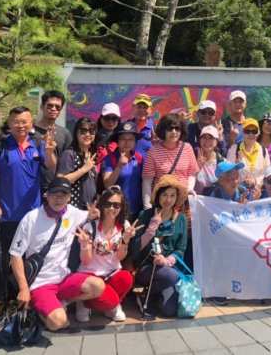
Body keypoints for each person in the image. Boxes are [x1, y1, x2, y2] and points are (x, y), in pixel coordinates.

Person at [0, 106, 57, 317]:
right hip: (7, 214)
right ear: (10, 122)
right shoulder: (0, 146)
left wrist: (50, 152)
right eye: (16, 121)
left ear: (31, 123)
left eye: (25, 121)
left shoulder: (37, 144)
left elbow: (51, 167)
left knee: (28, 259)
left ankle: (23, 300)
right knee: (3, 259)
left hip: (33, 216)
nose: (21, 125)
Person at [8, 177, 104, 331]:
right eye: (54, 194)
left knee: (97, 286)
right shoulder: (31, 219)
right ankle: (38, 309)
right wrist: (23, 288)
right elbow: (15, 255)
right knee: (58, 323)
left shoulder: (73, 213)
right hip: (40, 283)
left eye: (63, 194)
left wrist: (94, 213)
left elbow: (89, 215)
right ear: (46, 195)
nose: (58, 199)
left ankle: (62, 303)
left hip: (63, 279)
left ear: (69, 197)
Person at [74, 187, 138, 322]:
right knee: (107, 300)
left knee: (127, 278)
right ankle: (85, 303)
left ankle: (110, 305)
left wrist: (125, 240)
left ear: (121, 207)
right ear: (102, 205)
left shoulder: (124, 226)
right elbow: (86, 261)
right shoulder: (90, 227)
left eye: (116, 205)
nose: (112, 208)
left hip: (111, 273)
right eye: (108, 204)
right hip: (90, 275)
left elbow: (120, 257)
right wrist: (85, 246)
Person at [133, 175, 189, 319]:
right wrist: (151, 228)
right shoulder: (145, 215)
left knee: (169, 311)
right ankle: (149, 295)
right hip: (146, 267)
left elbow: (181, 249)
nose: (168, 200)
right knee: (172, 276)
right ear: (158, 196)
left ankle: (150, 294)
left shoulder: (181, 219)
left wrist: (167, 260)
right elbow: (135, 247)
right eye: (164, 195)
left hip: (168, 267)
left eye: (172, 195)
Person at [141, 113, 198, 208]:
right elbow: (147, 182)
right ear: (163, 130)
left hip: (183, 202)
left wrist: (189, 189)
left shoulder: (187, 148)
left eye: (177, 128)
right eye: (170, 128)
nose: (174, 132)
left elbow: (192, 173)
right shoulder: (153, 151)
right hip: (162, 203)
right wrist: (147, 206)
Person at [101, 121, 144, 217]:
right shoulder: (109, 159)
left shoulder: (139, 158)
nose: (127, 142)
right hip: (116, 211)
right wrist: (119, 166)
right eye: (123, 139)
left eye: (131, 139)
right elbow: (107, 184)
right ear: (118, 141)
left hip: (137, 210)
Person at [33, 90, 73, 190]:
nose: (53, 109)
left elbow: (66, 164)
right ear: (42, 107)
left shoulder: (65, 134)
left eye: (57, 107)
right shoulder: (29, 132)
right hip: (31, 188)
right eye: (50, 105)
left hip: (55, 190)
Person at [57, 117, 99, 210]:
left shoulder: (93, 154)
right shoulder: (69, 154)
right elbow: (61, 180)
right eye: (83, 131)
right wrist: (84, 169)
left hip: (89, 208)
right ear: (76, 133)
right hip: (73, 208)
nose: (87, 134)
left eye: (91, 131)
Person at [227, 117, 271, 186]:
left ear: (258, 133)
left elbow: (268, 172)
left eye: (254, 131)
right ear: (242, 132)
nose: (251, 134)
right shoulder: (234, 149)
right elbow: (229, 172)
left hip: (260, 191)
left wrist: (255, 181)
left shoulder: (263, 150)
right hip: (239, 190)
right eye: (247, 131)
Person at [94, 102, 121, 180]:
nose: (110, 122)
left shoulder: (122, 138)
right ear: (101, 118)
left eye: (114, 118)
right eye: (107, 118)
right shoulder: (92, 136)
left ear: (118, 120)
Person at [195, 125, 224, 194]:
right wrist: (197, 168)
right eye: (204, 137)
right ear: (200, 140)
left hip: (214, 203)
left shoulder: (222, 161)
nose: (207, 141)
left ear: (216, 142)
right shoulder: (192, 158)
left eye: (211, 138)